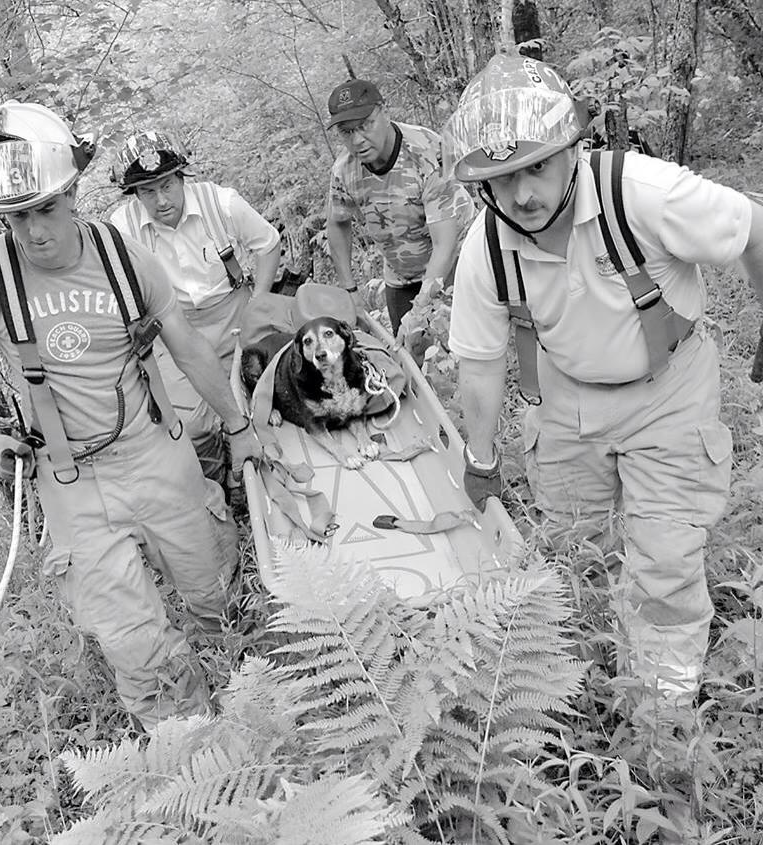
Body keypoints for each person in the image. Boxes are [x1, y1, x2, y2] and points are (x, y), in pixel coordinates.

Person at [443, 54, 763, 710]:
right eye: (502, 179)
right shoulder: (484, 248)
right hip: (567, 396)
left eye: (536, 166)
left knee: (664, 564)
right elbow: (478, 360)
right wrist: (480, 457)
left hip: (667, 390)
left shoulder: (640, 191)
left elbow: (751, 226)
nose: (523, 193)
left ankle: (660, 718)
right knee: (570, 549)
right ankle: (577, 689)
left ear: (571, 149)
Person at [0, 101, 259, 729]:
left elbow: (185, 344)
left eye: (46, 210)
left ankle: (256, 709)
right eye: (15, 217)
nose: (33, 233)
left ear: (73, 191)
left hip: (153, 452)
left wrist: (239, 428)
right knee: (134, 644)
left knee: (218, 597)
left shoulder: (122, 256)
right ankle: (193, 764)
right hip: (71, 483)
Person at [109, 131, 281, 483]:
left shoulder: (221, 204)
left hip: (235, 313)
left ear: (182, 178)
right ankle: (223, 486)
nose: (160, 201)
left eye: (167, 185)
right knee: (190, 422)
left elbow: (268, 244)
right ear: (135, 194)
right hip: (174, 331)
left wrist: (259, 303)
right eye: (147, 191)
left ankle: (273, 471)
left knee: (267, 394)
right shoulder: (122, 230)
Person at [324, 78, 473, 335]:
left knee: (459, 351)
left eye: (365, 126)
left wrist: (420, 310)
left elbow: (445, 245)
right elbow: (337, 223)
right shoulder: (344, 171)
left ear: (384, 111)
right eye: (347, 132)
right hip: (400, 274)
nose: (357, 140)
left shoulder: (428, 151)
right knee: (409, 357)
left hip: (456, 266)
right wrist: (351, 292)